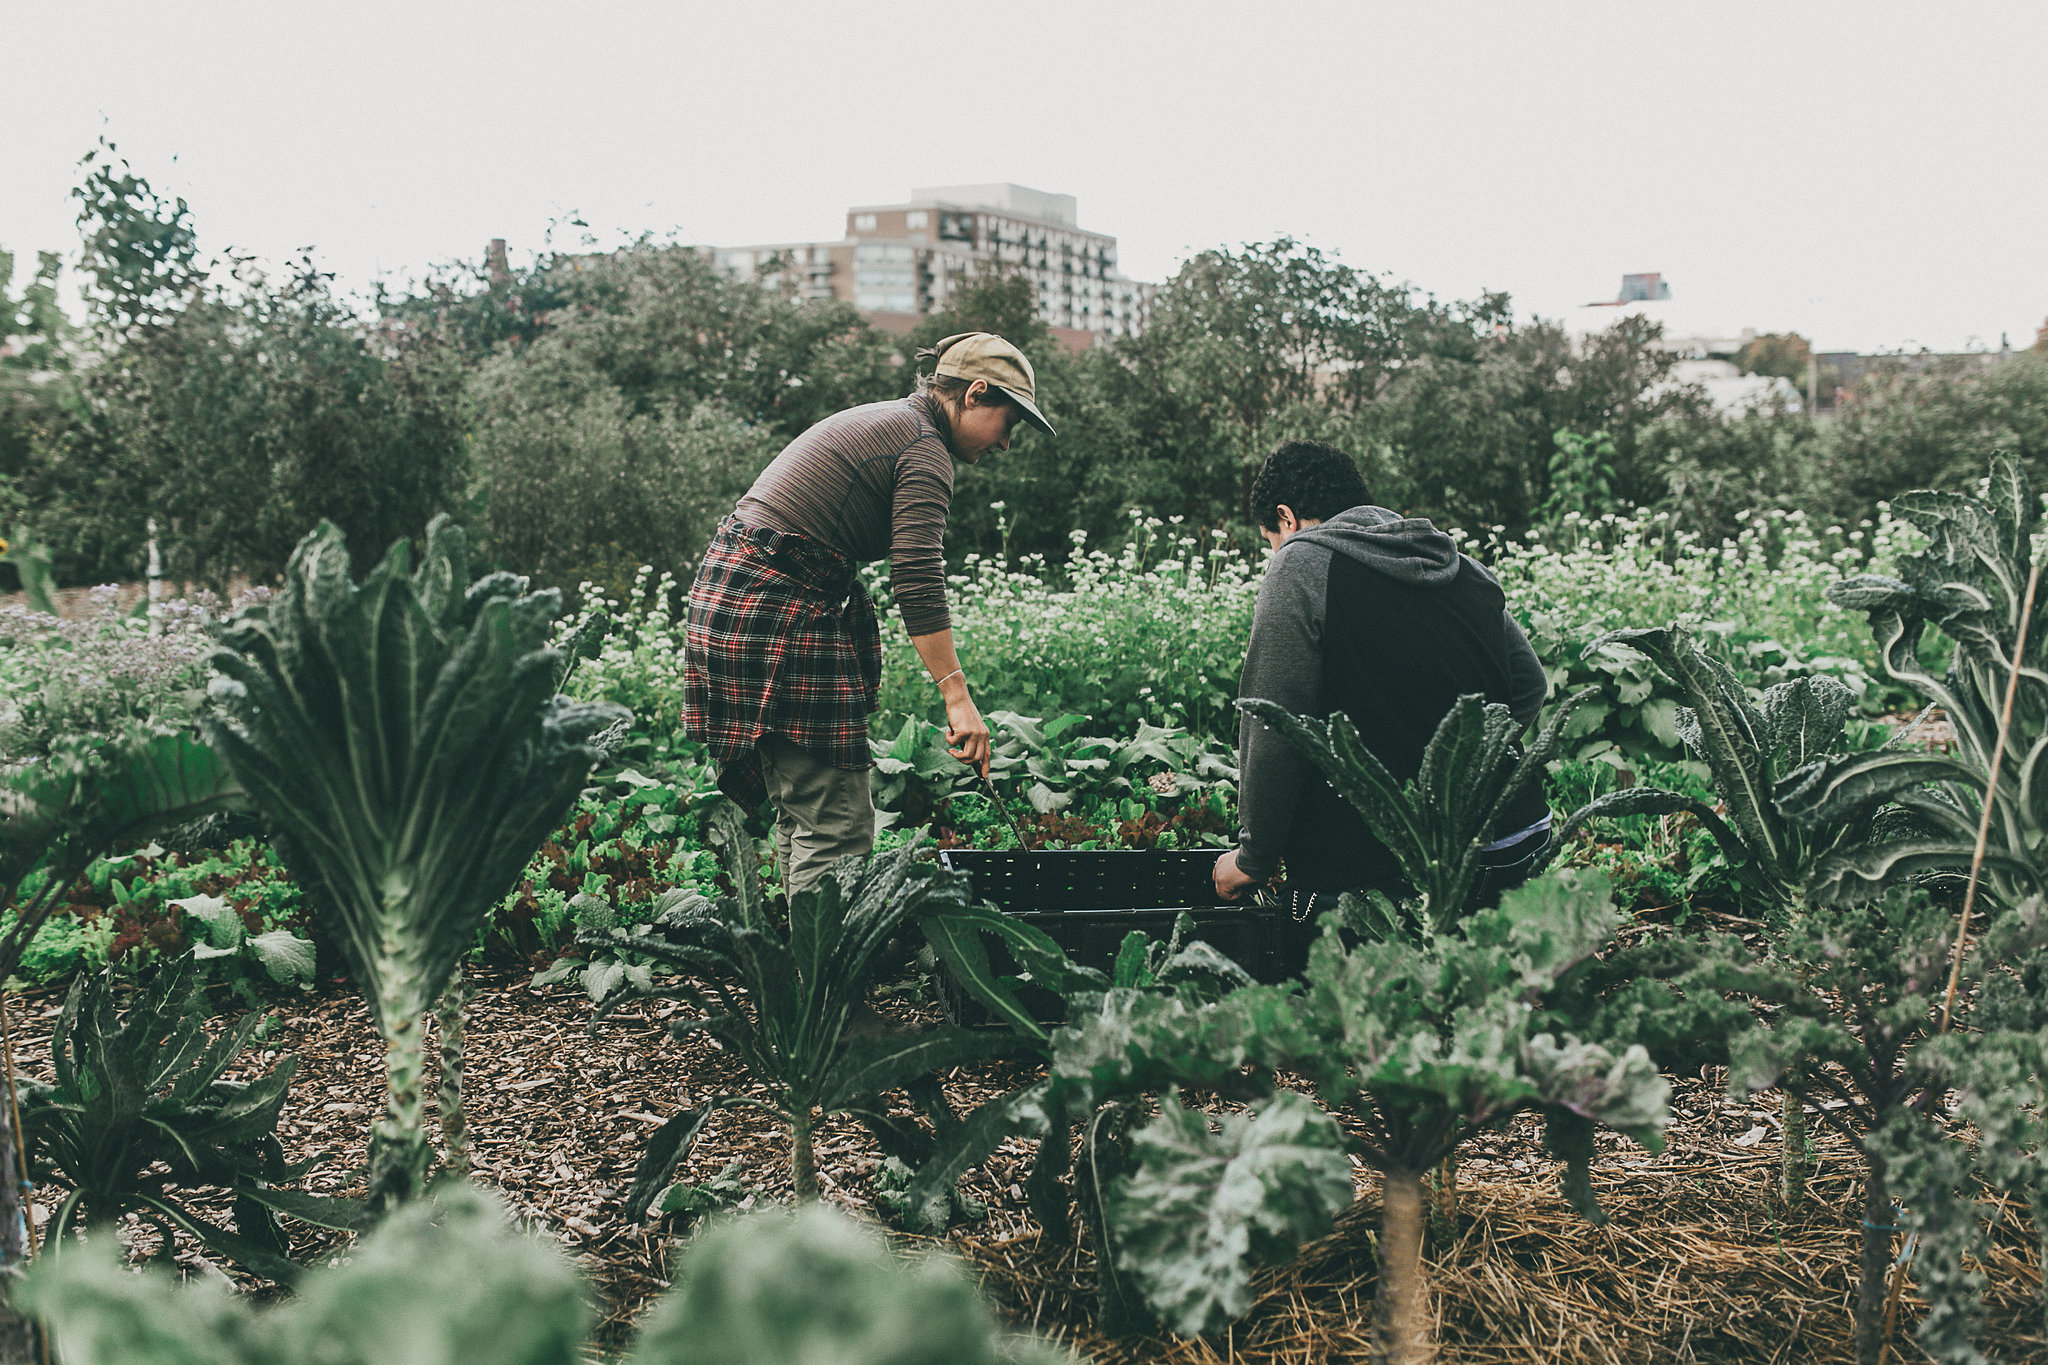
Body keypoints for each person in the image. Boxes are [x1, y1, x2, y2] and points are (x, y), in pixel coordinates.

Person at [683, 332, 1053, 894]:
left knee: (806, 810)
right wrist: (958, 698)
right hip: (774, 610)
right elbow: (918, 577)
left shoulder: (898, 424)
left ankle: (807, 970)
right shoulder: (922, 448)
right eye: (1011, 423)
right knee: (834, 826)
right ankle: (827, 979)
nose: (1006, 444)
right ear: (976, 394)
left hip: (740, 599)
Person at [1212, 440, 1551, 912]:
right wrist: (1464, 766)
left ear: (1286, 518)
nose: (1275, 553)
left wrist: (1253, 858)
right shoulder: (1464, 568)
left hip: (1406, 866)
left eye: (1271, 540)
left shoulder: (1300, 564)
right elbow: (1531, 684)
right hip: (1518, 838)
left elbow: (1273, 725)